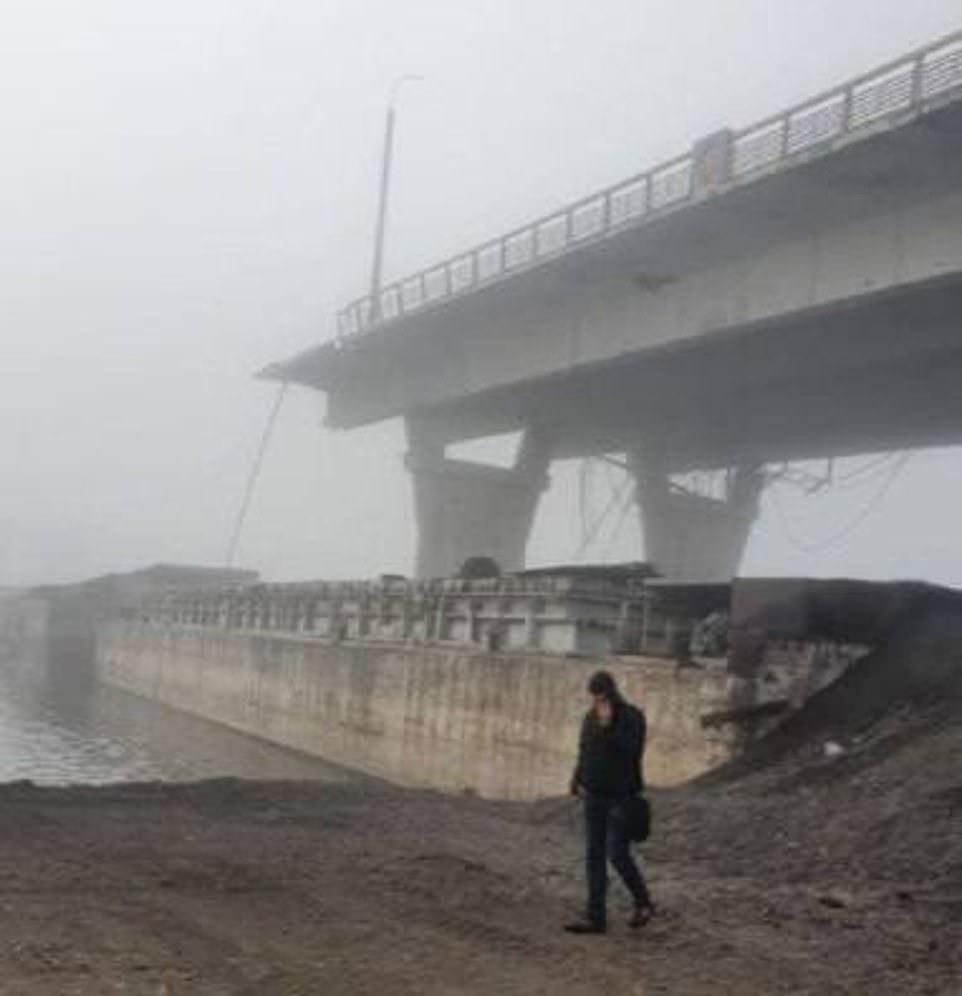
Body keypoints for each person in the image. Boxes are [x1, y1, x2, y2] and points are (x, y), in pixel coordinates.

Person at [565, 670, 654, 935]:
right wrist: (576, 778)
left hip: (621, 797)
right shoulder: (590, 717)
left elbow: (631, 752)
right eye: (595, 697)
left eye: (602, 696)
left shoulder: (631, 717)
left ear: (612, 693)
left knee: (616, 852)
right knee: (594, 855)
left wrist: (607, 727)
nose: (598, 702)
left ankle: (643, 902)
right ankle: (596, 917)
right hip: (593, 794)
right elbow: (585, 750)